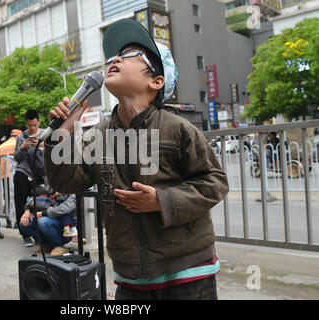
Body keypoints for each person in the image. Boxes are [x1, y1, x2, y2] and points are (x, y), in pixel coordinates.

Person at [43, 19, 229, 300]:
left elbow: (215, 182)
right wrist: (63, 135)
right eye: (114, 56)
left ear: (156, 81)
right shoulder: (98, 135)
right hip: (130, 277)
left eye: (130, 53)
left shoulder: (177, 129)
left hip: (189, 271)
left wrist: (162, 201)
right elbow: (67, 181)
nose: (115, 58)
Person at [13, 110, 45, 247]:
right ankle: (25, 234)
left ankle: (39, 234)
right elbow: (16, 157)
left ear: (39, 122)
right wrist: (23, 147)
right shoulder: (21, 137)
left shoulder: (45, 134)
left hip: (41, 175)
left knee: (40, 203)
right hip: (24, 173)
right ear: (26, 123)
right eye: (29, 125)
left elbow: (55, 151)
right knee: (21, 204)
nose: (32, 128)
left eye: (34, 125)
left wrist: (44, 146)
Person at [19, 188, 77, 256]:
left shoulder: (73, 189)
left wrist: (44, 212)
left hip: (66, 226)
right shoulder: (50, 186)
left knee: (43, 221)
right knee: (24, 223)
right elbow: (32, 199)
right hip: (49, 219)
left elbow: (65, 208)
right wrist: (27, 210)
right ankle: (47, 245)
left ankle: (59, 246)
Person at [0, 129, 23, 219]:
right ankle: (18, 219)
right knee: (19, 197)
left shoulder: (1, 147)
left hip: (5, 176)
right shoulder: (20, 145)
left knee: (7, 197)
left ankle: (8, 219)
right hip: (18, 174)